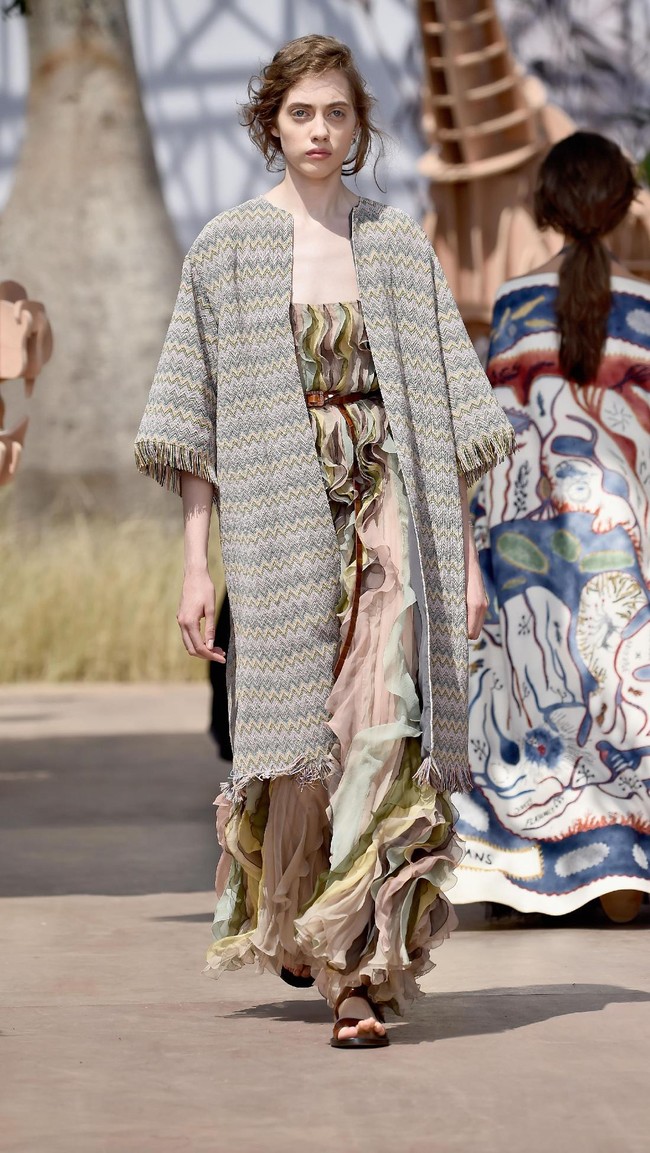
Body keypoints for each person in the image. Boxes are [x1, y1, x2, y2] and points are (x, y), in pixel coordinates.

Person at [135, 34, 515, 1048]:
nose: (318, 131)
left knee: (384, 730)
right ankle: (301, 913)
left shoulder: (393, 243)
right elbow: (194, 423)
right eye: (300, 114)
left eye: (335, 115)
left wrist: (465, 561)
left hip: (393, 513)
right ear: (272, 124)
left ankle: (354, 973)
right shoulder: (224, 248)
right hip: (280, 523)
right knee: (303, 750)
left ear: (358, 128)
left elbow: (447, 410)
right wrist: (193, 564)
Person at [452, 132, 650, 923]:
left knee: (529, 691)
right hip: (625, 544)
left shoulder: (510, 305)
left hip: (527, 540)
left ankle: (526, 872)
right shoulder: (645, 309)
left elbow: (496, 445)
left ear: (545, 209)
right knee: (623, 698)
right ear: (623, 206)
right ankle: (622, 871)